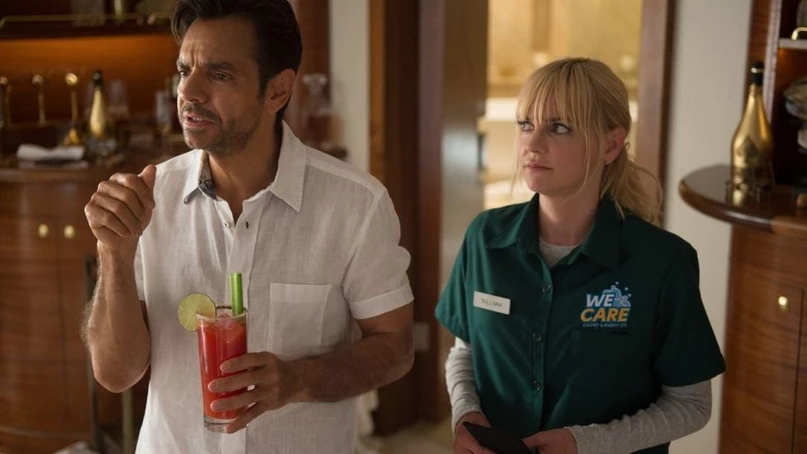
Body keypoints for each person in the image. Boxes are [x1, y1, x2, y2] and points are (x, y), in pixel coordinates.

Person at [82, 1, 414, 452]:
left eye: (219, 74)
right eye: (184, 71)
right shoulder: (151, 198)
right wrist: (114, 254)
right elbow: (116, 373)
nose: (188, 92)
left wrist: (297, 380)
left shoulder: (356, 205)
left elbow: (395, 347)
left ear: (278, 90)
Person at [435, 58, 726, 454]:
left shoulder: (663, 263)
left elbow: (691, 404)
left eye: (559, 127)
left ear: (610, 145)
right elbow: (465, 351)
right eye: (526, 124)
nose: (532, 145)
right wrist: (465, 415)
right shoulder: (484, 239)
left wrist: (586, 443)